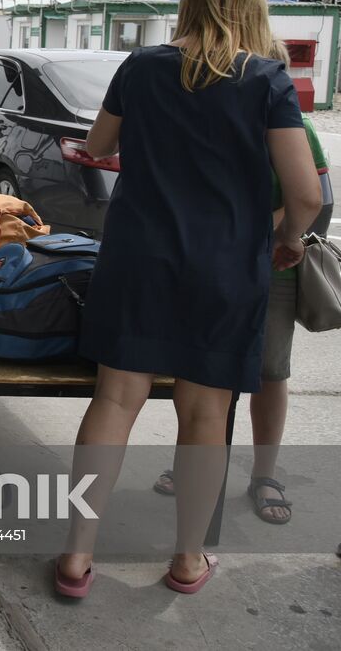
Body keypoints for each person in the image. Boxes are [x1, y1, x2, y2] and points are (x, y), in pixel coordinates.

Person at [53, 0, 321, 598]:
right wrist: (285, 240)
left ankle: (74, 557)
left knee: (115, 402)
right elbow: (306, 195)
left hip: (137, 259)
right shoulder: (267, 80)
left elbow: (98, 142)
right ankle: (187, 559)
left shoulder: (141, 67)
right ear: (254, 9)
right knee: (205, 414)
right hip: (227, 266)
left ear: (188, 4)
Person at [152, 89, 329, 525]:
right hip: (208, 269)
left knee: (270, 373)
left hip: (275, 268)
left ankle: (265, 476)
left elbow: (316, 199)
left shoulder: (298, 127)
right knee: (203, 370)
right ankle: (191, 464)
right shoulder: (210, 120)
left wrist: (268, 236)